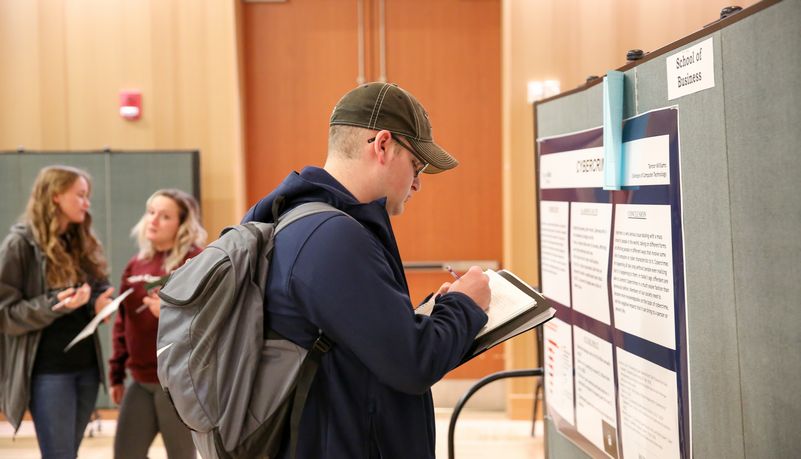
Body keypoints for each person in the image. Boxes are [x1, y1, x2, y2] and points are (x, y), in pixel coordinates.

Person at [241, 82, 492, 459]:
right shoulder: (330, 237)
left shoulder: (308, 223)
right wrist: (466, 305)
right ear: (383, 145)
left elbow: (365, 342)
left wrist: (439, 310)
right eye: (416, 165)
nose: (418, 183)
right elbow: (412, 362)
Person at [0, 165, 114, 459]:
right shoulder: (19, 245)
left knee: (68, 454)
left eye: (87, 196)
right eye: (80, 195)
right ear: (54, 197)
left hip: (86, 367)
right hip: (48, 371)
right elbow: (5, 314)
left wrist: (98, 303)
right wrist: (53, 305)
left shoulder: (82, 241)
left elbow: (98, 286)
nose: (86, 203)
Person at [109, 189, 206, 459]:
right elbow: (122, 323)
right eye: (151, 212)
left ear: (182, 224)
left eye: (164, 216)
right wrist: (116, 372)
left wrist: (169, 316)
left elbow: (210, 321)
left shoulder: (196, 261)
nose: (153, 220)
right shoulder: (135, 265)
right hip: (139, 380)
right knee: (125, 454)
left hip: (177, 383)